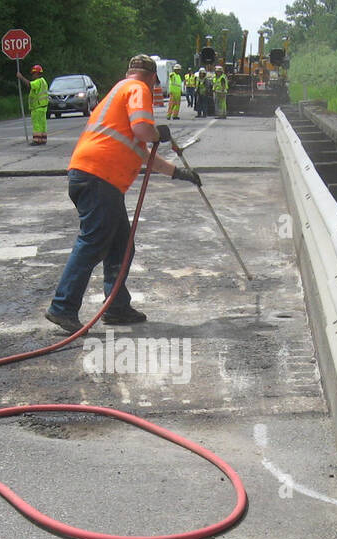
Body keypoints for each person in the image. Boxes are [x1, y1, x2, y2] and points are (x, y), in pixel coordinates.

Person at [45, 54, 202, 334]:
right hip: (98, 178)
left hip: (93, 177)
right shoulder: (138, 89)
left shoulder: (119, 91)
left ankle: (116, 306)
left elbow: (142, 153)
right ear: (154, 78)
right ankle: (62, 307)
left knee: (121, 245)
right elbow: (143, 131)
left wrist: (178, 173)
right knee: (93, 242)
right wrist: (157, 133)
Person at [18, 63, 49, 144]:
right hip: (43, 107)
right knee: (43, 124)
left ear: (37, 73)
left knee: (37, 124)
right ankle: (43, 139)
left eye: (33, 74)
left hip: (37, 107)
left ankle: (37, 140)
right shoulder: (43, 81)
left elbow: (29, 84)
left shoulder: (38, 82)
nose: (32, 76)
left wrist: (21, 77)